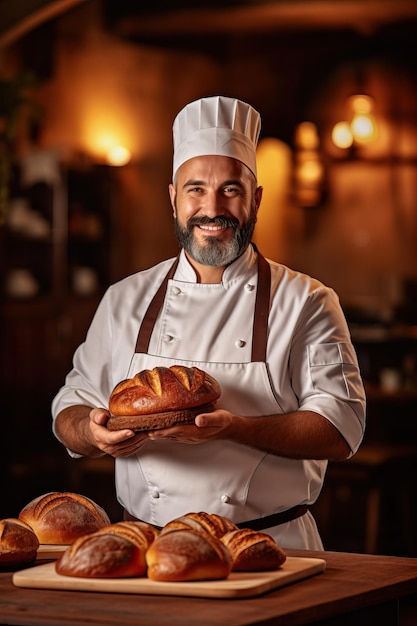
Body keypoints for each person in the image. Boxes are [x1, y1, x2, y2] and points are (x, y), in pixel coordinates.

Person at [52, 95, 366, 550]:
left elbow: (341, 429)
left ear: (255, 199)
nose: (211, 207)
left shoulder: (308, 301)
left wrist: (236, 427)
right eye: (196, 188)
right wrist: (93, 432)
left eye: (231, 190)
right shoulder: (125, 298)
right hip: (147, 552)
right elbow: (71, 407)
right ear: (173, 199)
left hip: (271, 548)